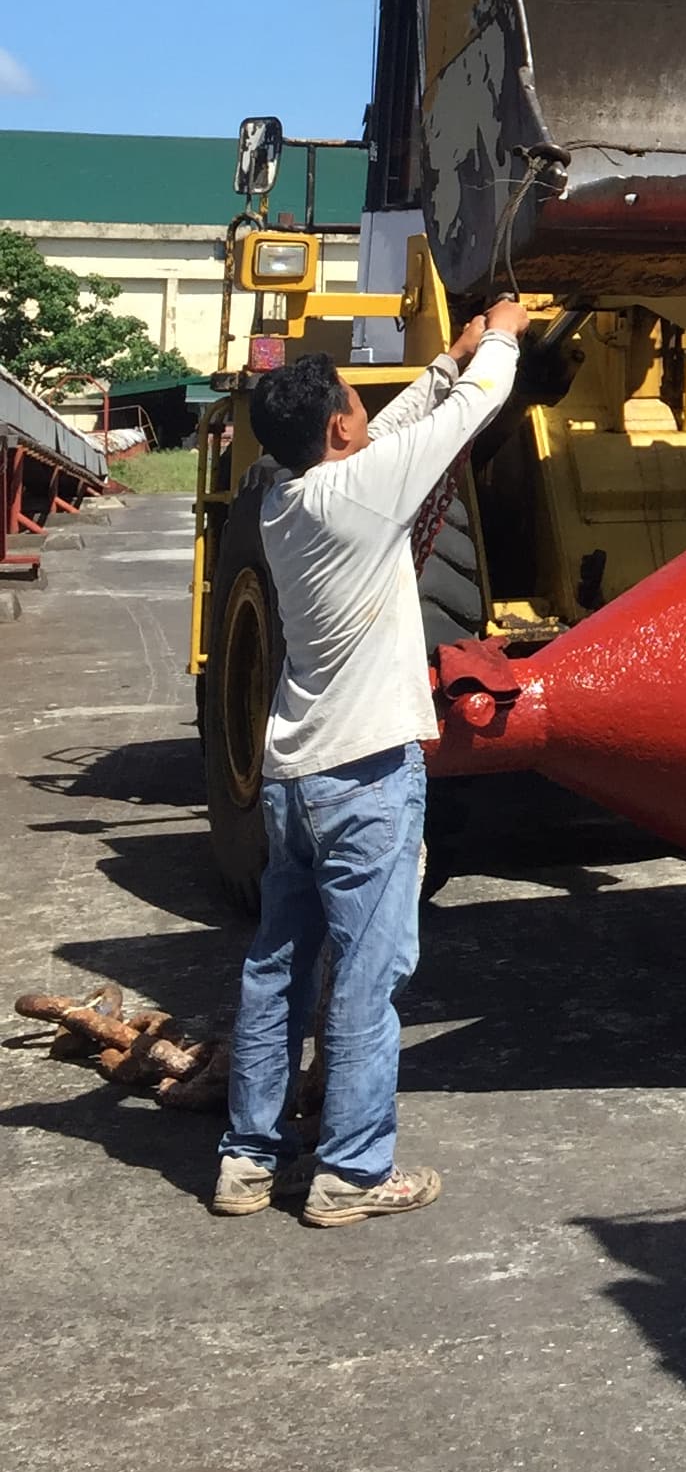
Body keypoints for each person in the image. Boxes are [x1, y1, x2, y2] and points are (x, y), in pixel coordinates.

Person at [214, 295, 531, 1225]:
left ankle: (248, 1160)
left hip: (294, 777)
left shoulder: (282, 495)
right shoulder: (358, 490)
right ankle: (353, 1172)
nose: (363, 408)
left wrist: (447, 357)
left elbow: (390, 434)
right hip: (366, 780)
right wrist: (501, 342)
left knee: (277, 964)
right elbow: (473, 414)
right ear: (337, 430)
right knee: (366, 976)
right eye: (354, 401)